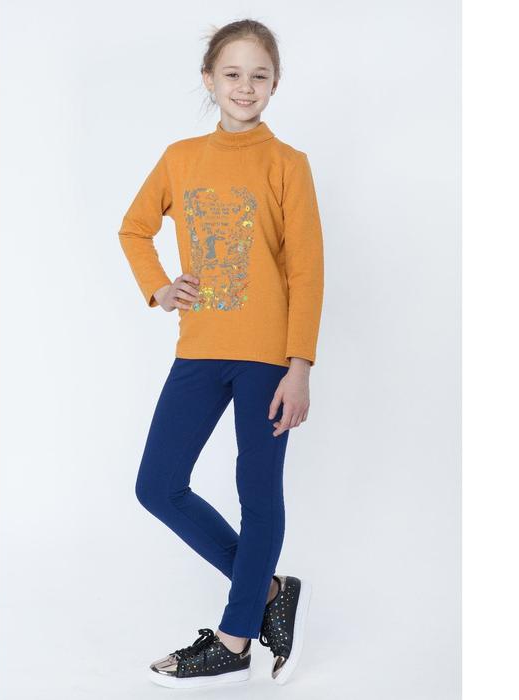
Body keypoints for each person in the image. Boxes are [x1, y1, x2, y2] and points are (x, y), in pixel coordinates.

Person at [118, 18, 324, 688]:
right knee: (158, 486)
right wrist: (159, 288)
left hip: (268, 357)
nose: (245, 86)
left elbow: (307, 271)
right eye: (232, 73)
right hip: (200, 351)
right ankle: (270, 592)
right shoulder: (181, 157)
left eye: (259, 75)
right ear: (209, 79)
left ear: (275, 84)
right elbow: (134, 229)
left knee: (256, 494)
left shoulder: (287, 164)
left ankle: (235, 640)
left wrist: (300, 366)